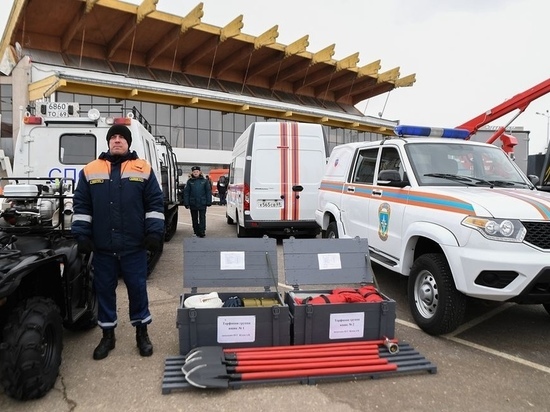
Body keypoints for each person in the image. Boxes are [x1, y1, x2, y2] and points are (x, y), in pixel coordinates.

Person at [72, 124, 165, 360]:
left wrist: (154, 233)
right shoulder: (90, 170)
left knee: (137, 290)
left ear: (128, 143)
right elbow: (82, 206)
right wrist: (82, 235)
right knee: (104, 291)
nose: (117, 140)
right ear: (107, 142)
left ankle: (142, 333)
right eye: (113, 137)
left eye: (121, 137)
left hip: (134, 247)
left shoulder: (142, 168)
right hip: (103, 248)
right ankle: (107, 336)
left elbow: (154, 204)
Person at [183, 166, 212, 237]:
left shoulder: (205, 181)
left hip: (202, 203)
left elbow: (208, 192)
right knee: (194, 218)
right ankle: (196, 231)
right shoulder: (189, 182)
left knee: (202, 217)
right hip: (193, 203)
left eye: (197, 172)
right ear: (192, 173)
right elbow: (186, 193)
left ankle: (202, 231)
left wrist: (209, 201)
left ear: (200, 172)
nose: (195, 173)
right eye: (194, 172)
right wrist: (186, 203)